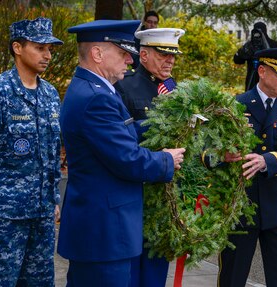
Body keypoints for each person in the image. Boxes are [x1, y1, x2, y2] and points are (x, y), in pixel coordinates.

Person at [57, 20, 186, 287]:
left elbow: (123, 130)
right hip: (104, 230)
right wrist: (166, 160)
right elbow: (127, 159)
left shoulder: (97, 89)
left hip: (101, 226)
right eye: (123, 52)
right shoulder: (96, 97)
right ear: (97, 54)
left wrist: (167, 127)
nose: (130, 59)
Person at [0, 17, 63, 286]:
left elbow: (51, 155)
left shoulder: (50, 94)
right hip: (2, 219)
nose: (47, 55)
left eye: (50, 49)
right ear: (18, 47)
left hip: (41, 216)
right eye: (40, 48)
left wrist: (54, 199)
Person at [218, 47, 277, 287]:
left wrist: (264, 161)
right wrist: (222, 155)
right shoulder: (235, 105)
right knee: (232, 277)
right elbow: (208, 148)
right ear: (262, 71)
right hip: (242, 202)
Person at [114, 27, 185, 287]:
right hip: (135, 193)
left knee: (156, 273)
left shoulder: (174, 89)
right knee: (130, 273)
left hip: (163, 196)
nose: (171, 60)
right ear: (143, 55)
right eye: (163, 55)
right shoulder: (123, 85)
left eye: (173, 55)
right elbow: (122, 140)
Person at [233, 22, 277, 91]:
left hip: (269, 82)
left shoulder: (274, 46)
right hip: (253, 82)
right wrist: (244, 52)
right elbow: (237, 60)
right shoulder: (250, 46)